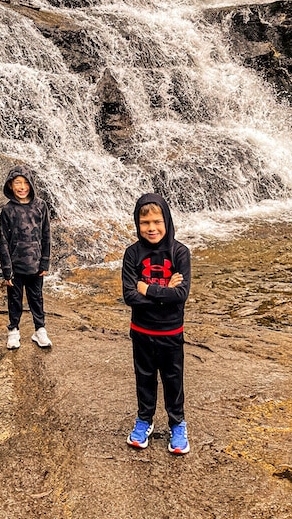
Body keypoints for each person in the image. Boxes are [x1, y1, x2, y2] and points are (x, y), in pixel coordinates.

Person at [122, 192, 191, 454]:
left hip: (171, 331)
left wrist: (146, 289)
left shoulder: (180, 253)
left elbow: (181, 295)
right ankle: (144, 420)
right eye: (145, 223)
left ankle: (177, 423)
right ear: (138, 225)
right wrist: (164, 295)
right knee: (144, 377)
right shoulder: (132, 254)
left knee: (174, 378)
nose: (151, 228)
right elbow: (129, 296)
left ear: (167, 220)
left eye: (157, 221)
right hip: (141, 331)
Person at [0, 165, 52, 350]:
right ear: (10, 186)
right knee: (14, 299)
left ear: (31, 185)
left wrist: (45, 261)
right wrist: (7, 270)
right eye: (17, 183)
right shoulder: (7, 210)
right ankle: (13, 330)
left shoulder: (40, 206)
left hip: (36, 264)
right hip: (15, 265)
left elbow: (46, 235)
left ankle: (40, 329)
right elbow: (3, 241)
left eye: (25, 183)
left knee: (36, 298)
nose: (22, 187)